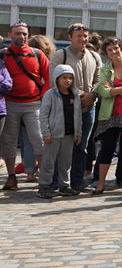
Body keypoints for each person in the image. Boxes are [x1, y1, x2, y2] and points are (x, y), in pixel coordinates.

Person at [50, 23, 101, 192]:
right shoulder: (60, 55)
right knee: (61, 147)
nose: (82, 39)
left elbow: (98, 80)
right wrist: (79, 95)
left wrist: (92, 95)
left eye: (85, 35)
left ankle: (77, 180)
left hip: (88, 108)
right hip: (66, 109)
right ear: (70, 37)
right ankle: (57, 182)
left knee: (82, 146)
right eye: (78, 36)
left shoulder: (94, 57)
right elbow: (54, 81)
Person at [90, 38, 122, 194]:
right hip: (111, 114)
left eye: (116, 48)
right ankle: (100, 183)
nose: (114, 52)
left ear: (121, 49)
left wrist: (114, 89)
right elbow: (102, 90)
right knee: (107, 148)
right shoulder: (106, 69)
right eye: (110, 50)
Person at [1, 23, 49, 190]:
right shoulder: (3, 54)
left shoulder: (37, 54)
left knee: (39, 139)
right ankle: (11, 176)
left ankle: (44, 176)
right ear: (10, 34)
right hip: (10, 104)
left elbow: (48, 78)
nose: (21, 37)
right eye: (17, 33)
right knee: (9, 141)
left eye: (24, 34)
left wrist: (43, 97)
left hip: (33, 104)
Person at [37, 65, 83, 198]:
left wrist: (78, 133)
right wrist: (45, 132)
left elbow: (78, 115)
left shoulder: (75, 95)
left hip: (69, 135)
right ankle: (44, 186)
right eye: (64, 78)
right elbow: (43, 115)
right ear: (57, 79)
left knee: (66, 162)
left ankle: (64, 185)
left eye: (70, 78)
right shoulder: (50, 95)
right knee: (49, 161)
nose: (67, 81)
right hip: (53, 135)